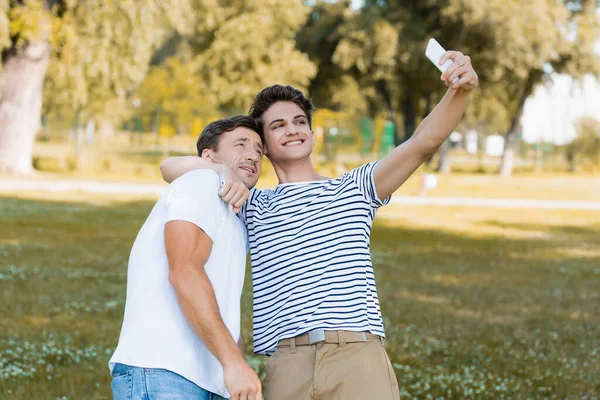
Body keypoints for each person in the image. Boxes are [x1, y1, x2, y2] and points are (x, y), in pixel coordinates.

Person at [160, 50, 478, 399]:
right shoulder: (252, 203)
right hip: (287, 362)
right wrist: (220, 170)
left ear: (313, 135)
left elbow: (422, 143)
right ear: (263, 146)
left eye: (299, 122)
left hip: (356, 356)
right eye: (278, 126)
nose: (292, 130)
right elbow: (169, 168)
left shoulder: (355, 187)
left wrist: (459, 91)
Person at [109, 116, 264, 400]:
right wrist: (233, 363)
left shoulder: (236, 215)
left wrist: (236, 366)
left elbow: (226, 307)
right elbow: (184, 272)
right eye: (240, 144)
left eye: (258, 149)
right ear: (208, 156)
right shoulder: (201, 182)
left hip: (208, 381)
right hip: (164, 372)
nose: (253, 154)